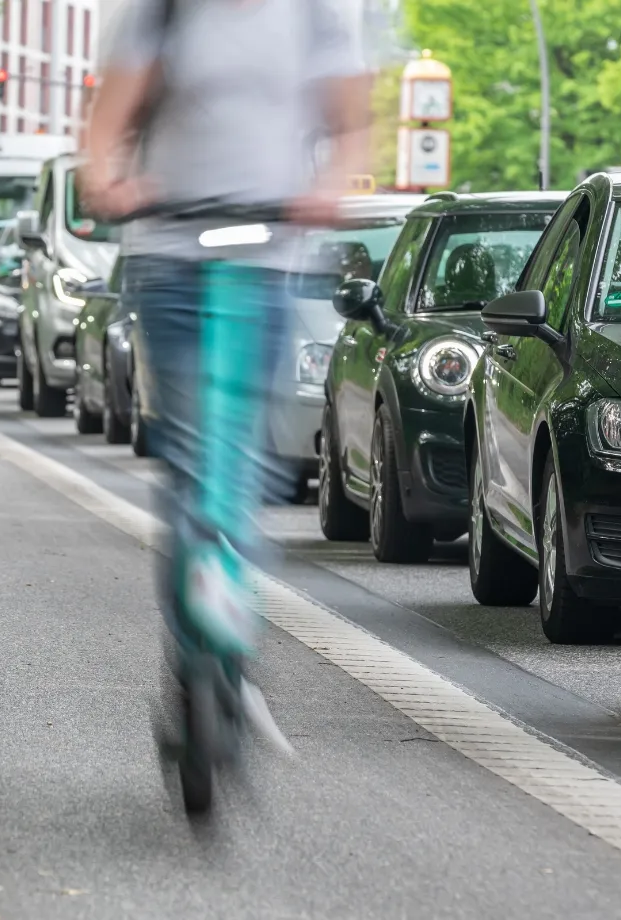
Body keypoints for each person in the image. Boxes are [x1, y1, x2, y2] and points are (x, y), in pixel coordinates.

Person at [81, 0, 371, 770]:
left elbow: (349, 126)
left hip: (267, 255)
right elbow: (107, 126)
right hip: (171, 253)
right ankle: (191, 657)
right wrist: (106, 178)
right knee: (189, 462)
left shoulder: (313, 17)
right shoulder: (164, 11)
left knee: (238, 463)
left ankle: (232, 637)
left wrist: (331, 187)